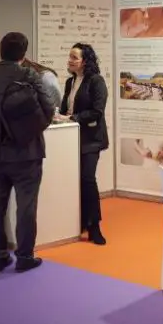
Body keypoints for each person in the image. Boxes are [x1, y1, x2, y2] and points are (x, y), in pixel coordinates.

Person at [0, 32, 55, 272]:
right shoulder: (29, 76)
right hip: (28, 153)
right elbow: (48, 110)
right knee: (26, 207)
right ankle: (24, 257)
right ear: (23, 54)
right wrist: (29, 132)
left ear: (1, 51)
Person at [54, 43, 109, 245]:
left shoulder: (96, 81)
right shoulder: (70, 82)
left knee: (87, 179)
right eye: (69, 56)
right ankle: (79, 222)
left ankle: (94, 226)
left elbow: (97, 111)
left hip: (91, 140)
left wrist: (72, 118)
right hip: (70, 138)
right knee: (74, 181)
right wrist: (58, 115)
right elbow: (65, 109)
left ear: (85, 61)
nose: (69, 60)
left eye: (74, 57)